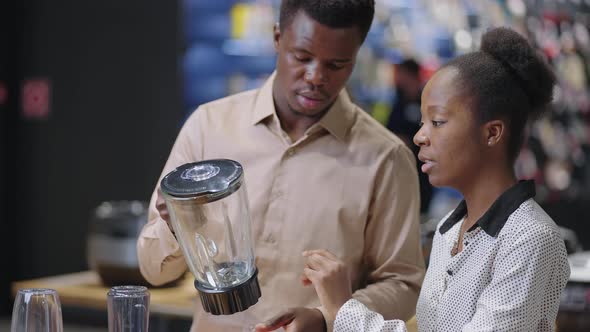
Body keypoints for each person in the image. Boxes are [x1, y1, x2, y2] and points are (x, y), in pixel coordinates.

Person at [137, 1, 425, 331]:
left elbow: (404, 285)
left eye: (336, 64)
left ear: (357, 55)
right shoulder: (208, 126)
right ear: (277, 38)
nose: (316, 76)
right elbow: (152, 270)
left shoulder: (386, 159)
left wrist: (326, 318)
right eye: (302, 57)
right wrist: (176, 225)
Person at [293, 27, 571, 332]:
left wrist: (344, 310)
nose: (419, 136)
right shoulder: (449, 231)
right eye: (423, 122)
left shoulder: (529, 238)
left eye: (437, 122)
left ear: (492, 133)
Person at [386, 58, 433, 213]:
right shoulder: (397, 101)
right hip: (399, 166)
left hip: (421, 168)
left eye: (401, 74)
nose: (397, 78)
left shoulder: (426, 102)